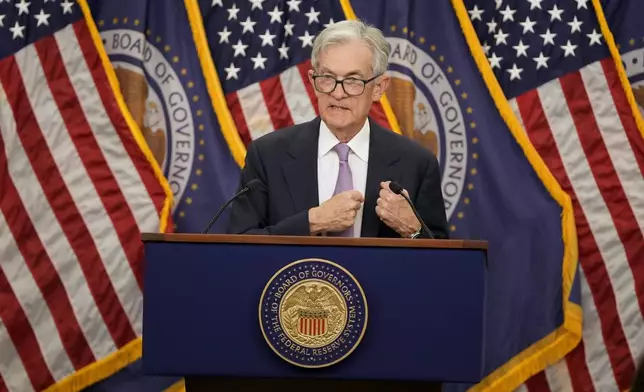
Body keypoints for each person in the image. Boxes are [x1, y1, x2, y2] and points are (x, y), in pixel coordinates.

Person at [226, 19, 448, 240]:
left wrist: (414, 230)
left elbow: (445, 266)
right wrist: (313, 221)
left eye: (353, 80)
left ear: (379, 88)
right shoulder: (267, 155)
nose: (338, 93)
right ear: (313, 81)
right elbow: (238, 244)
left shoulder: (417, 163)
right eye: (328, 78)